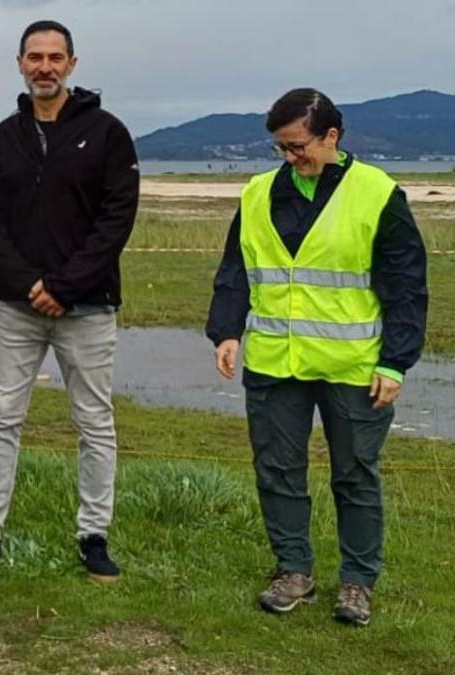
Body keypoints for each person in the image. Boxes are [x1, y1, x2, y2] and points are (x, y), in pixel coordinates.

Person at [207, 88, 427, 626]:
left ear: (332, 137)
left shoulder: (377, 193)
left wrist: (395, 361)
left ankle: (357, 583)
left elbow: (405, 285)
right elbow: (236, 270)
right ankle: (292, 571)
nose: (289, 157)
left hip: (355, 367)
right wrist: (227, 332)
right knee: (278, 471)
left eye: (298, 146)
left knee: (354, 474)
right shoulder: (257, 194)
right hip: (274, 363)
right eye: (280, 148)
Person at [0, 20, 138, 581]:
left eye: (55, 57)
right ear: (19, 63)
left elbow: (116, 219)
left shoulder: (108, 133)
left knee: (93, 421)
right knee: (2, 418)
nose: (45, 66)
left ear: (72, 63)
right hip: (18, 307)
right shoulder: (2, 138)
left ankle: (94, 535)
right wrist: (26, 282)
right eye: (35, 56)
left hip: (87, 307)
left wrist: (65, 285)